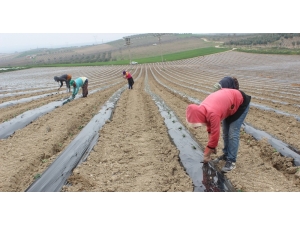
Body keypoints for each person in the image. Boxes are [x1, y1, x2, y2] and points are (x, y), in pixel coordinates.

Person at [186, 88, 251, 172]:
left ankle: (231, 161)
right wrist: (212, 147)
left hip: (240, 103)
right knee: (225, 132)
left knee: (232, 133)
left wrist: (207, 154)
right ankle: (226, 154)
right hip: (229, 104)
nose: (197, 127)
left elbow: (215, 135)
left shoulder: (212, 113)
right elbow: (210, 128)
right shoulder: (203, 109)